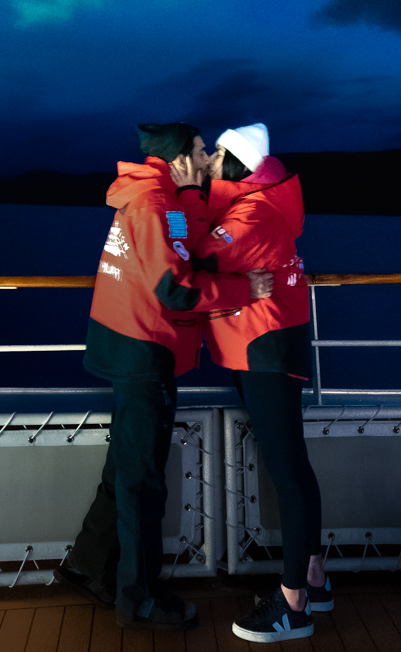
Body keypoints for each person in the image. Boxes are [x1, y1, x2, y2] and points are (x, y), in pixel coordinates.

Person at [56, 122, 273, 632]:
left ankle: (87, 566)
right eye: (200, 152)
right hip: (143, 350)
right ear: (178, 160)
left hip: (128, 342)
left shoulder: (155, 197)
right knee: (143, 482)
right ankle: (141, 600)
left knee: (125, 468)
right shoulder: (157, 207)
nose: (205, 158)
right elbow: (175, 287)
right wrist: (246, 289)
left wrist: (197, 197)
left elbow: (184, 244)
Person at [172, 122, 329, 644]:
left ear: (237, 164)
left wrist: (185, 195)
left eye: (217, 154)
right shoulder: (255, 205)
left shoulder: (250, 214)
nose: (211, 159)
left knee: (287, 471)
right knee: (294, 467)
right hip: (266, 345)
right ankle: (313, 580)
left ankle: (292, 608)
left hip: (264, 349)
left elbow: (192, 260)